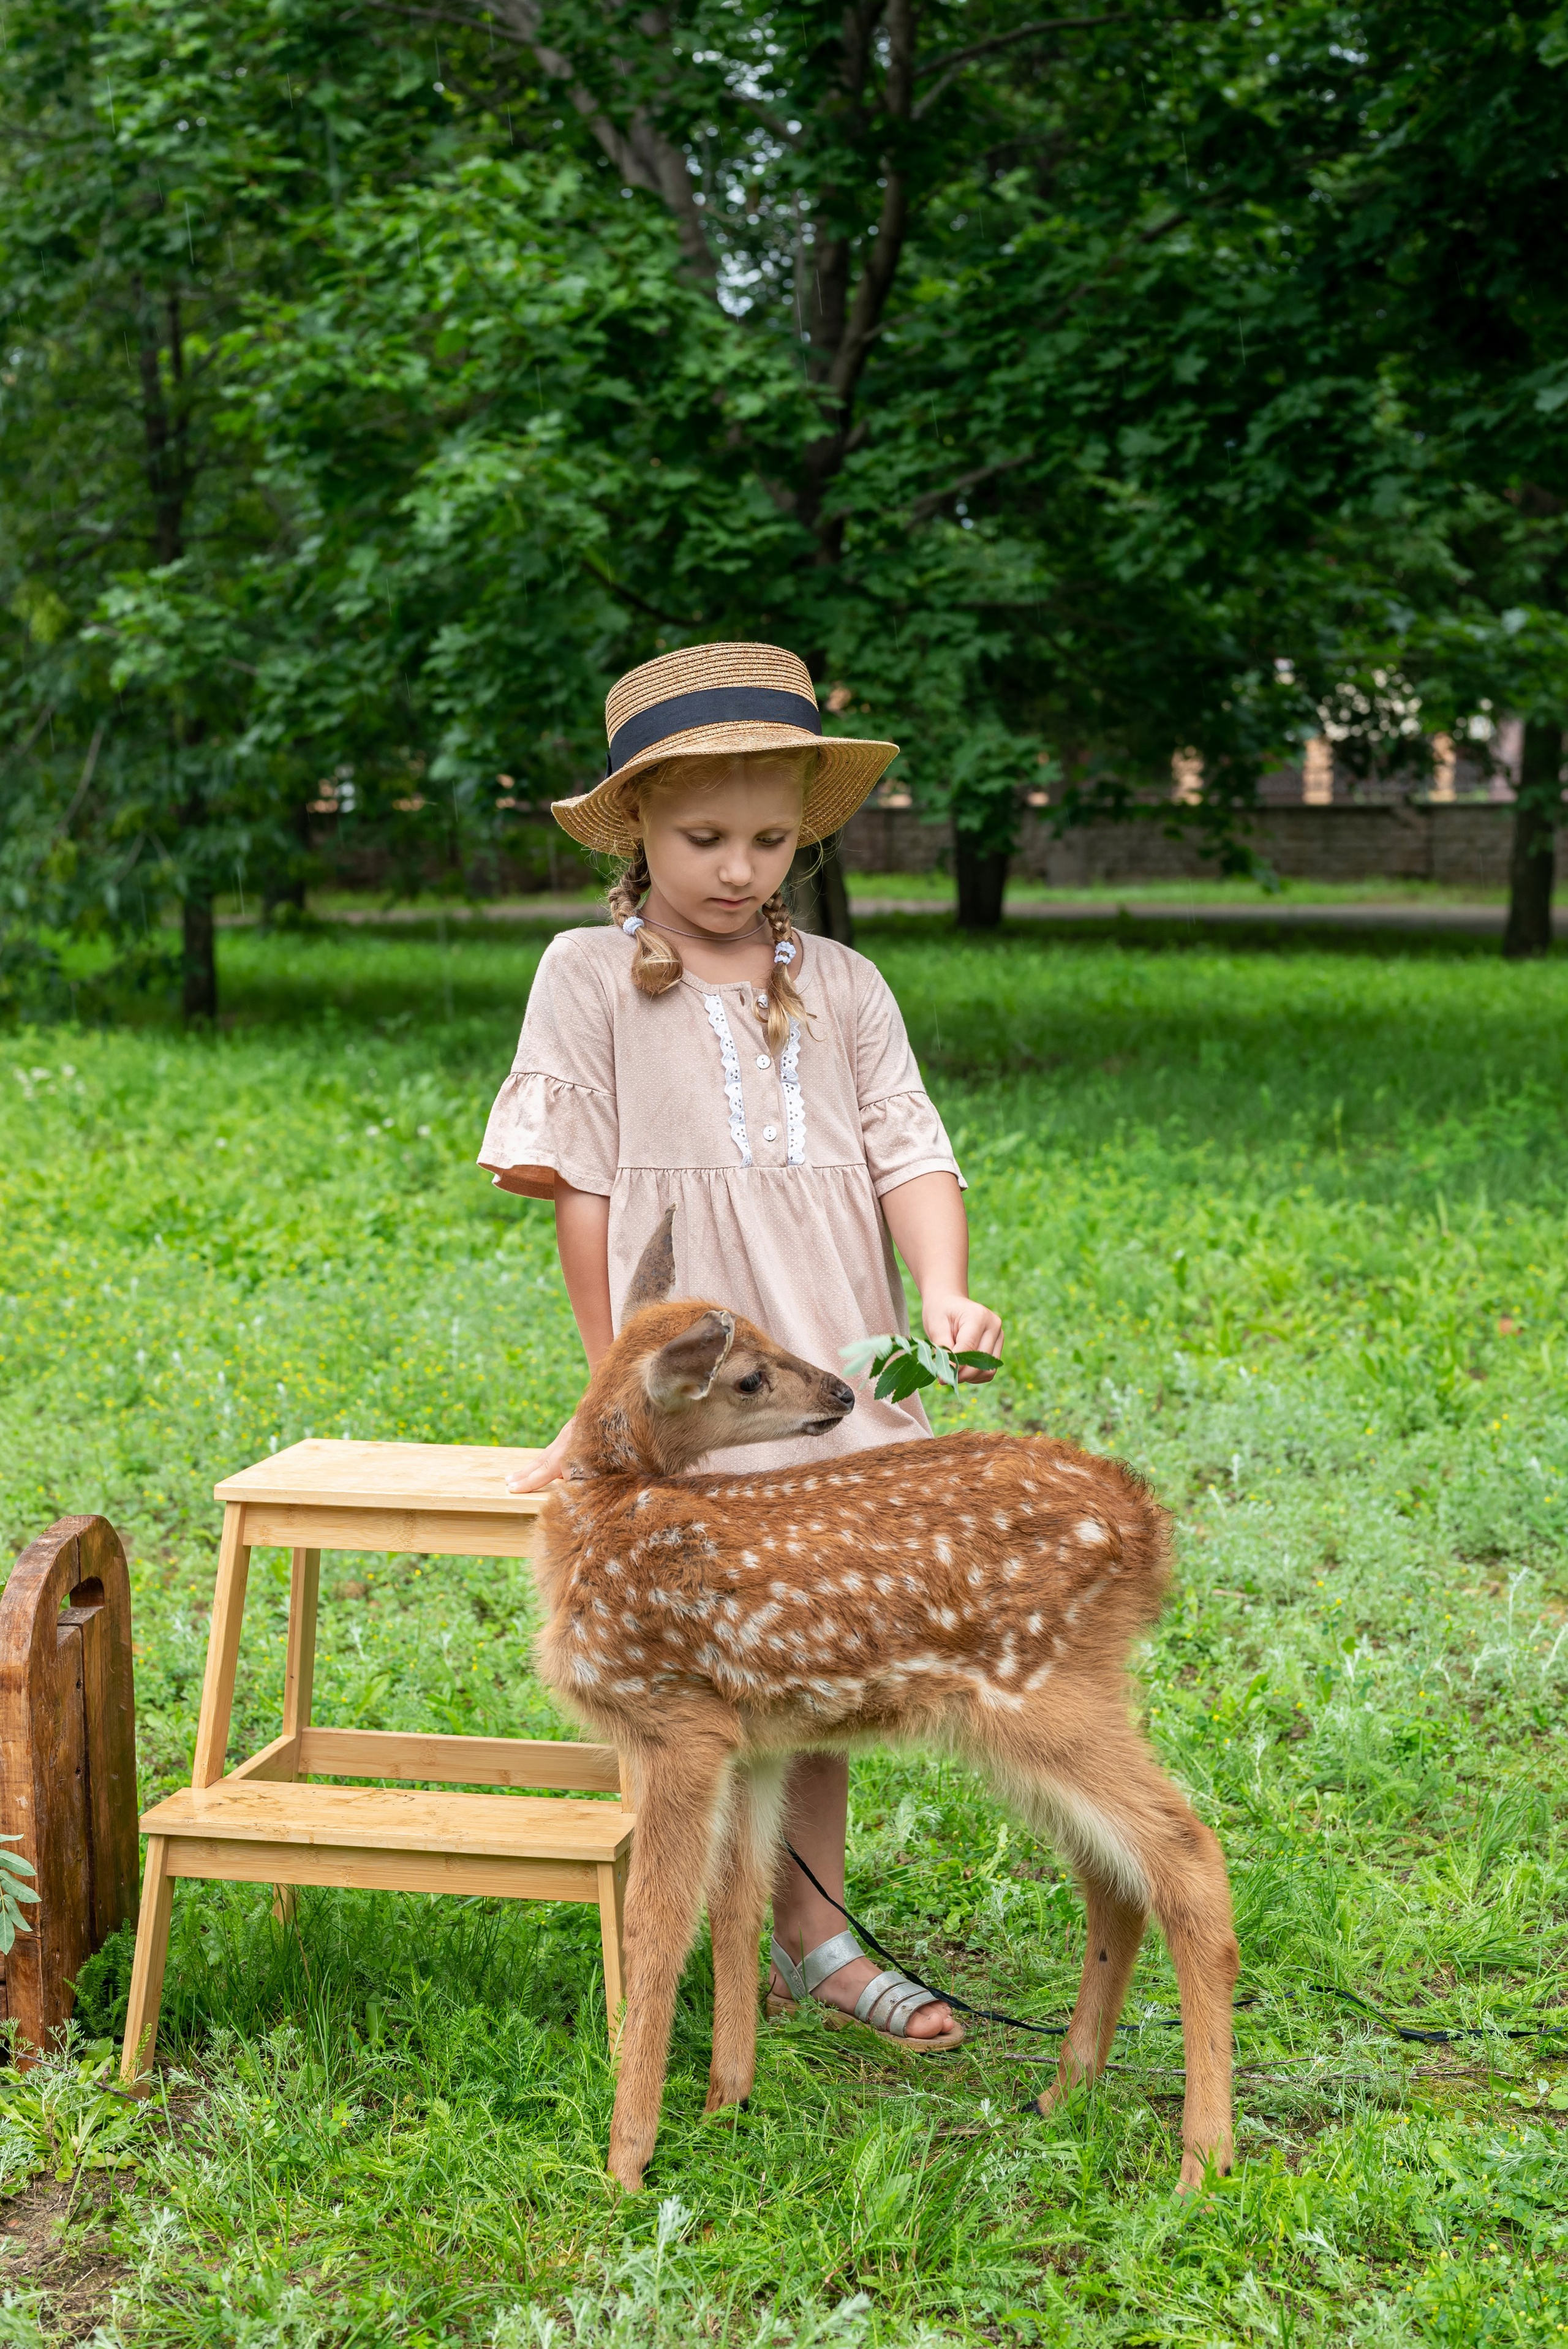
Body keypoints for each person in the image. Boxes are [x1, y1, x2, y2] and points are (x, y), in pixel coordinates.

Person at [479, 641, 1003, 2048]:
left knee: (815, 1629)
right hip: (699, 1382)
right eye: (703, 837)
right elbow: (580, 1187)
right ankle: (677, 1915)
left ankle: (810, 1926)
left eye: (770, 840)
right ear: (636, 828)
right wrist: (615, 1396)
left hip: (823, 1345)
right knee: (681, 1648)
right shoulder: (590, 972)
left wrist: (940, 1294)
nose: (738, 868)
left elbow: (909, 1147)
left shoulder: (839, 981)